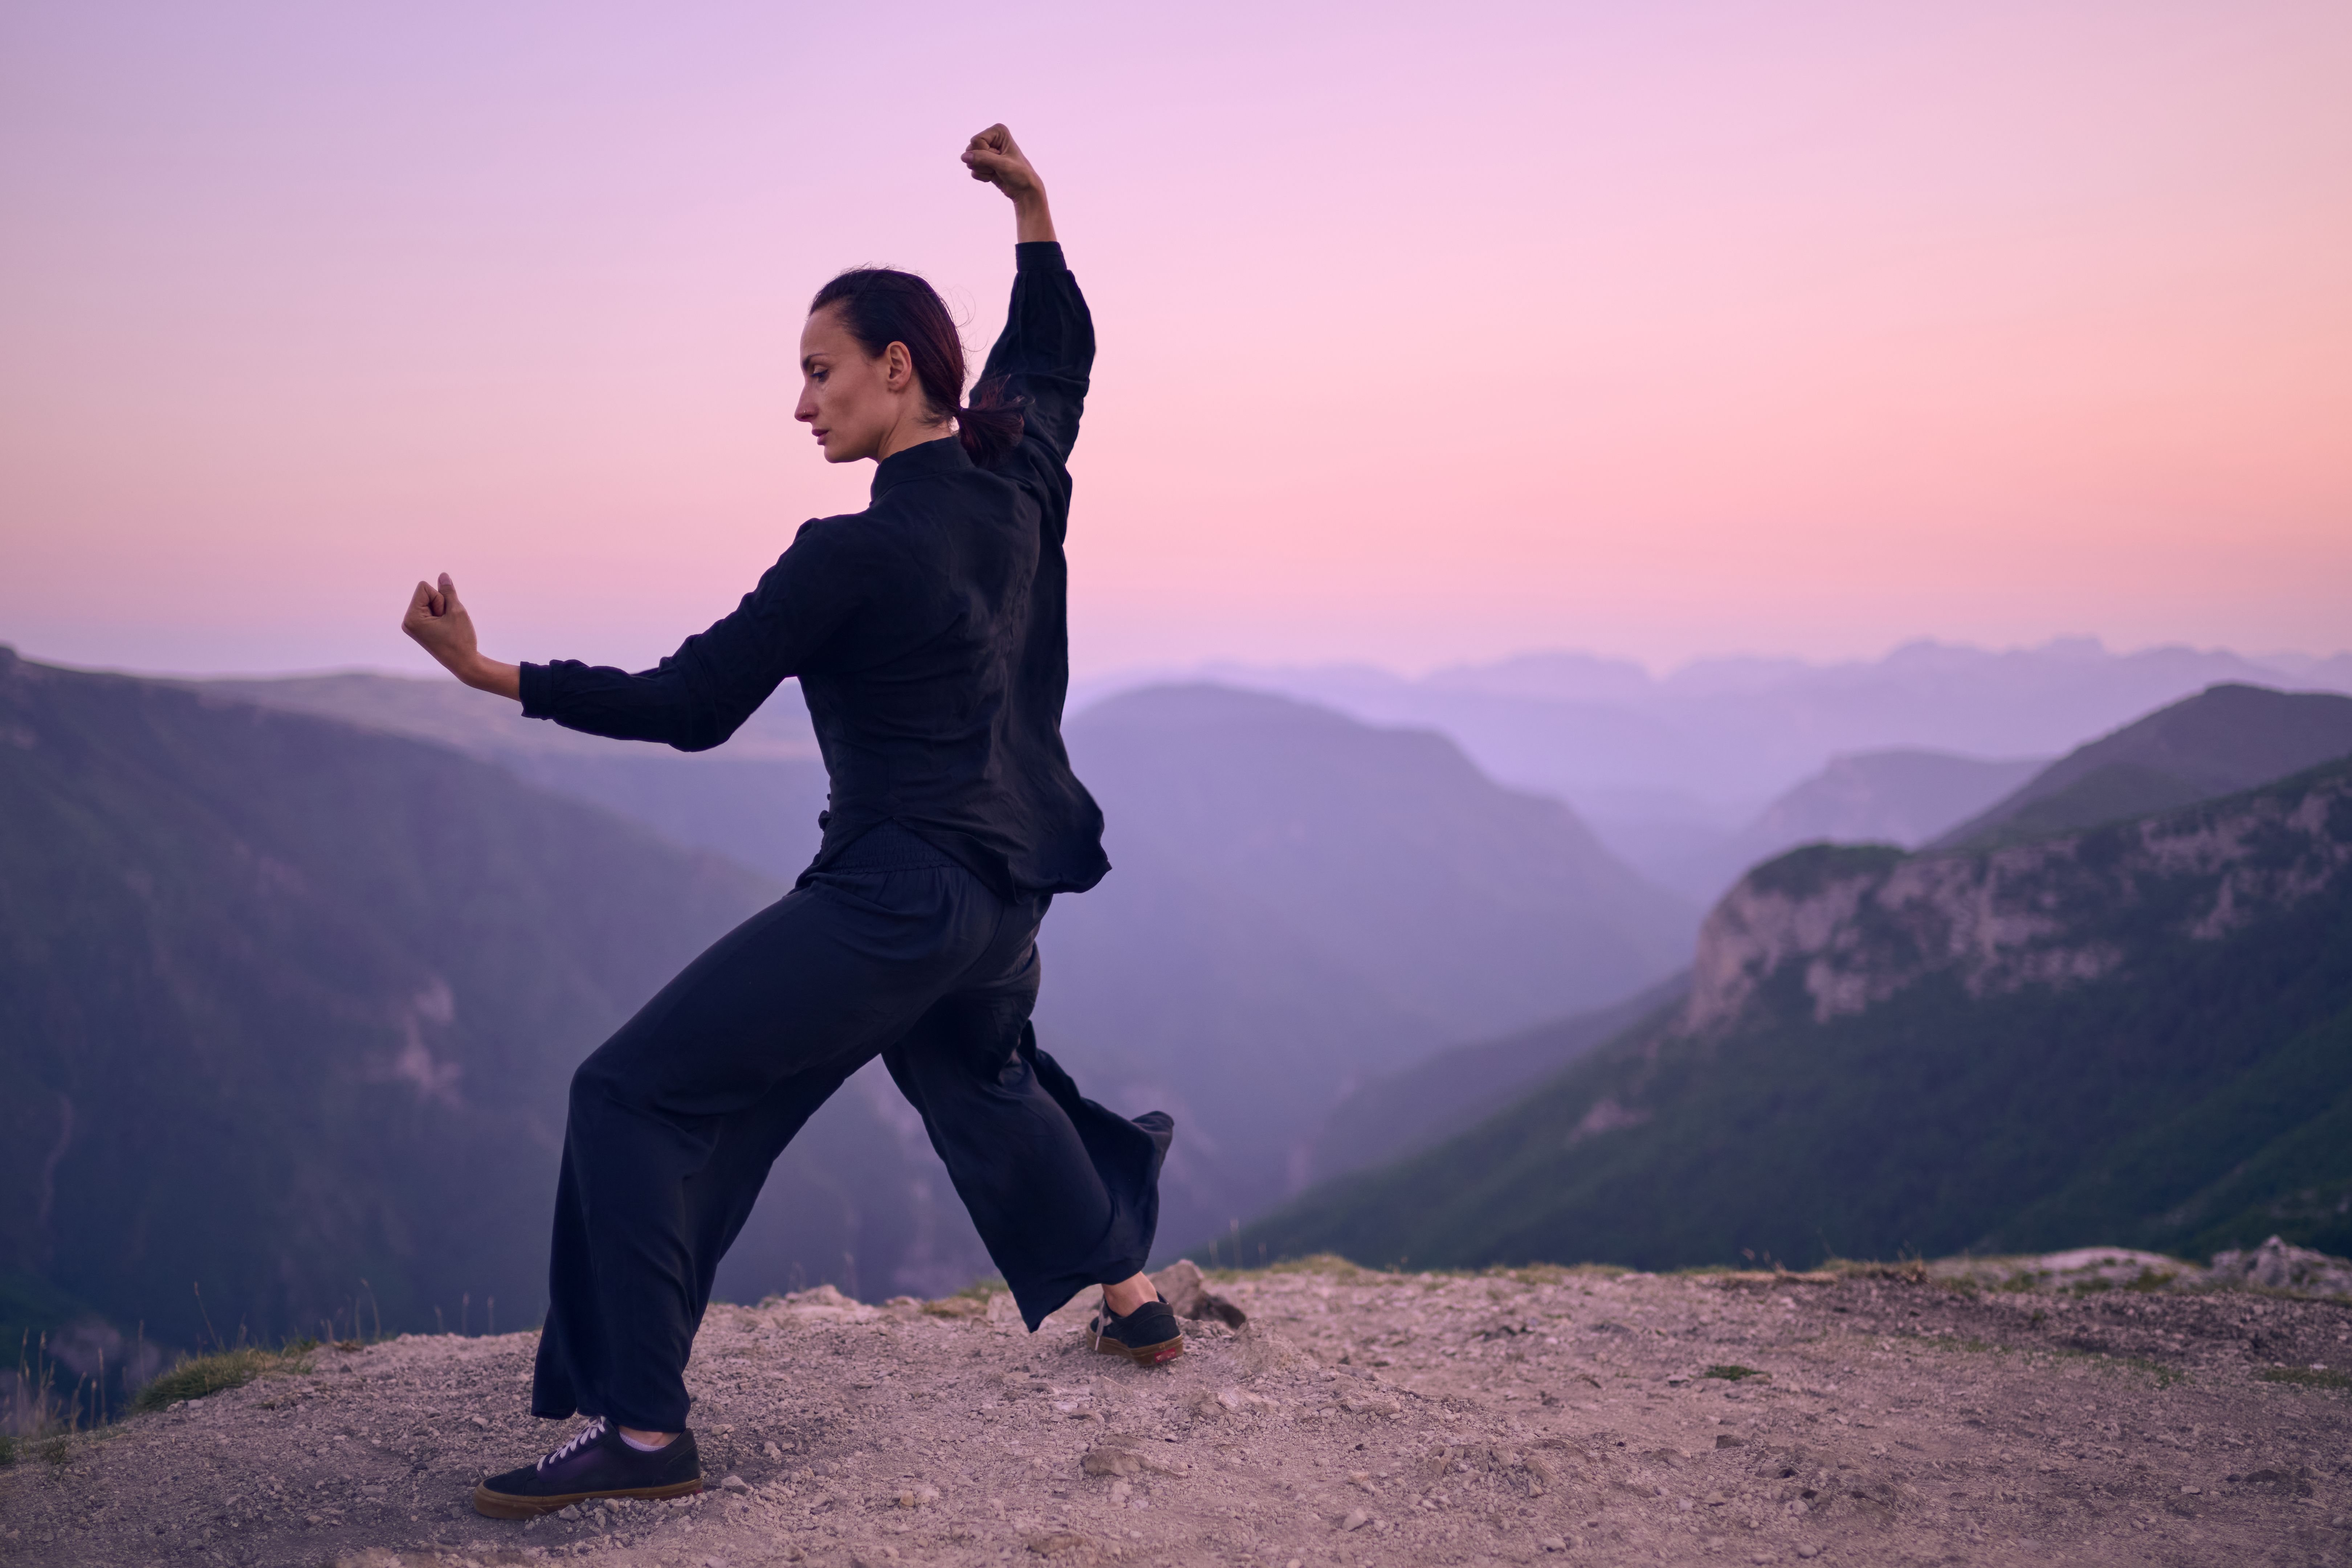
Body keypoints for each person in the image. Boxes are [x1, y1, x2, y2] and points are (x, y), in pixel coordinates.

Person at [400, 124, 1181, 1520]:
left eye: (819, 372)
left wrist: (490, 674)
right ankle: (1133, 1299)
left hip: (901, 895)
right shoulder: (1019, 477)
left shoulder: (856, 553)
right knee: (981, 1081)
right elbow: (1056, 355)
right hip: (1010, 896)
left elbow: (692, 702)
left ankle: (644, 1438)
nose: (802, 405)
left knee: (631, 1094)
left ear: (898, 368)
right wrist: (1036, 210)